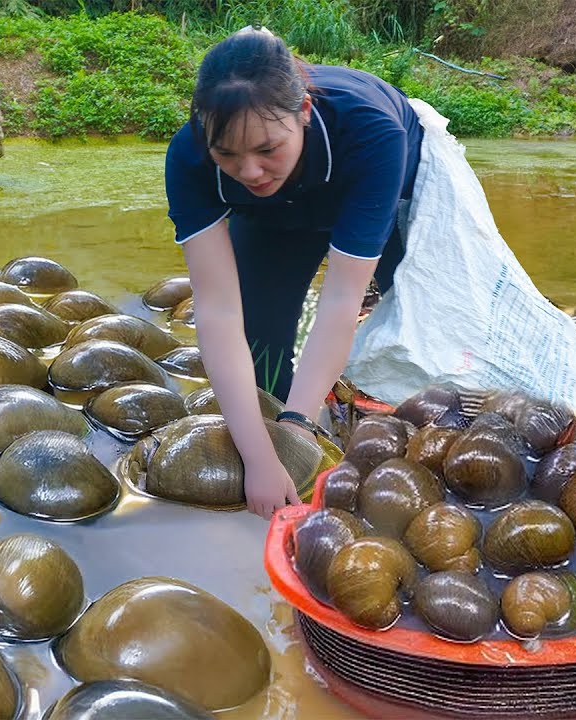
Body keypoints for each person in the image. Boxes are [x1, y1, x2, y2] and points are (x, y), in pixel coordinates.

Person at [164, 26, 423, 519]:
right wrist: (262, 455)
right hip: (272, 216)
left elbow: (342, 298)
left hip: (368, 180)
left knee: (415, 325)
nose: (251, 170)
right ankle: (283, 437)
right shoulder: (189, 156)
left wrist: (300, 422)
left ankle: (353, 419)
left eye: (266, 149)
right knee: (259, 332)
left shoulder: (372, 134)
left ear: (303, 112)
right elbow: (217, 311)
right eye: (228, 155)